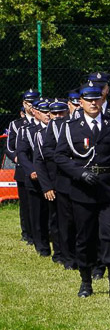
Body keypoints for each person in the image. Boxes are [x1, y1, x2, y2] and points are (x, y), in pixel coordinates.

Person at [54, 80, 110, 299]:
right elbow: (60, 156)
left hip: (109, 186)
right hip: (83, 189)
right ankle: (86, 280)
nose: (93, 103)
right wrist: (79, 173)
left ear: (103, 100)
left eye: (97, 99)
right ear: (80, 102)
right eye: (88, 100)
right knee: (85, 236)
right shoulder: (69, 126)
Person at [35, 99, 76, 269]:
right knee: (58, 221)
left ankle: (75, 253)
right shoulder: (43, 134)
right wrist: (47, 186)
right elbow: (40, 161)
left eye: (62, 113)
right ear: (50, 115)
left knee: (75, 221)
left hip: (73, 183)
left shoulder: (73, 128)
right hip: (54, 183)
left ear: (67, 113)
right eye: (55, 114)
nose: (59, 117)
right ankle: (61, 253)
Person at [17, 99, 52, 257]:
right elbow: (22, 153)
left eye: (48, 112)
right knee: (37, 214)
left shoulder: (57, 128)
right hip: (35, 178)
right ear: (36, 113)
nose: (47, 115)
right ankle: (42, 246)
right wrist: (32, 170)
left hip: (52, 178)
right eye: (44, 112)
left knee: (54, 214)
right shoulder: (28, 130)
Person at [8, 89, 40, 245]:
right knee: (26, 204)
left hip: (42, 168)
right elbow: (9, 146)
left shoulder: (43, 120)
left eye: (34, 102)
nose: (31, 106)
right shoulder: (16, 124)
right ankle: (27, 233)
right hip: (23, 169)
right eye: (28, 103)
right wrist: (17, 157)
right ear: (23, 104)